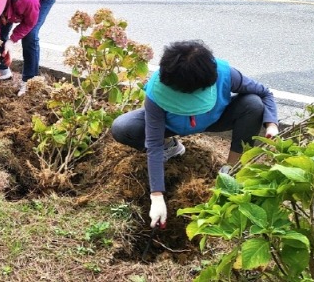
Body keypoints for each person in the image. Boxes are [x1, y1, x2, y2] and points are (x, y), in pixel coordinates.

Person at [110, 40, 279, 229]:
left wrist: (271, 124)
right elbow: (153, 143)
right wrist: (156, 196)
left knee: (253, 104)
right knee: (123, 127)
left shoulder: (225, 74)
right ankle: (172, 148)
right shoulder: (157, 90)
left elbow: (265, 93)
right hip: (172, 125)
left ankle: (230, 170)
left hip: (216, 119)